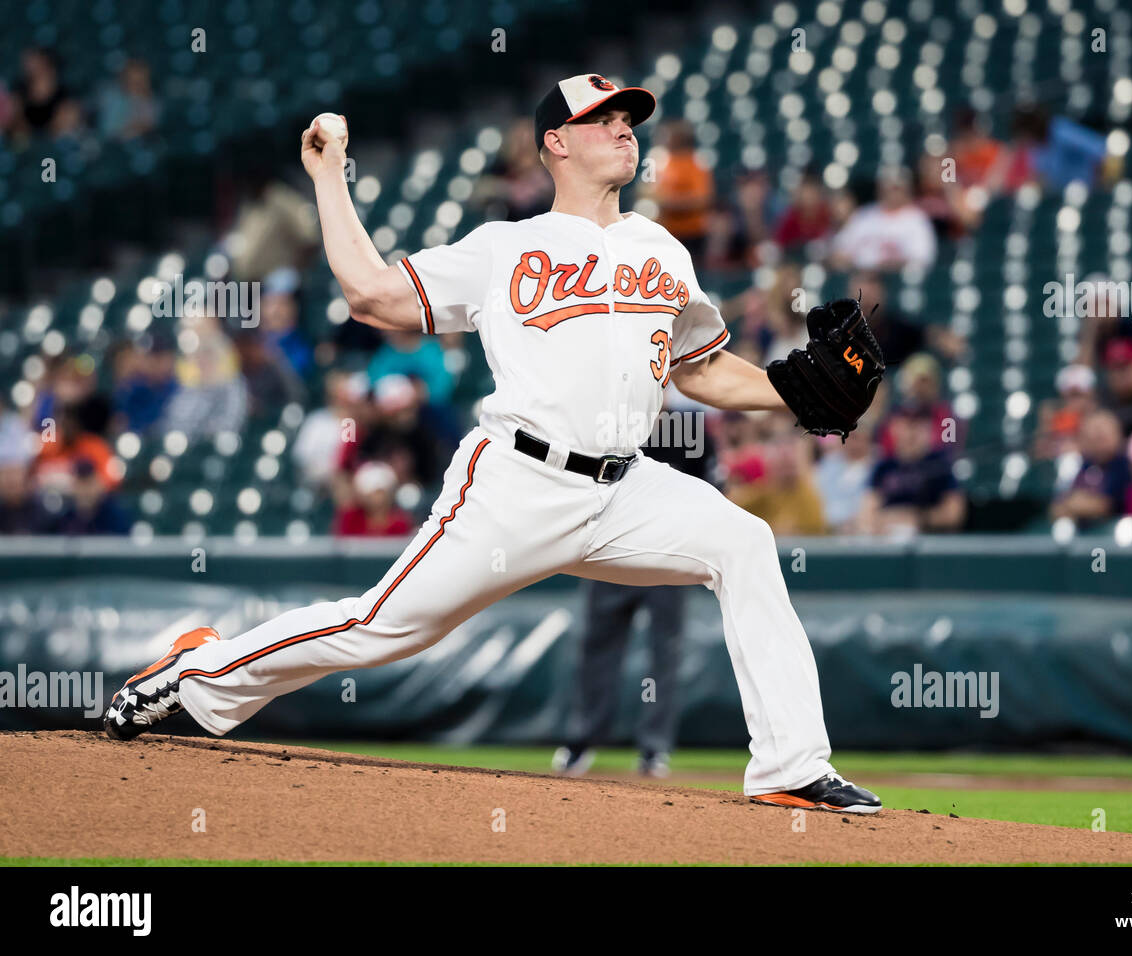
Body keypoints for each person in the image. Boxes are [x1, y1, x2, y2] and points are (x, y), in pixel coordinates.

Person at [103, 73, 883, 814]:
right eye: (603, 121)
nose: (623, 132)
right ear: (556, 144)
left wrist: (793, 391)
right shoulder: (504, 248)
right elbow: (371, 296)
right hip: (517, 483)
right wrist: (330, 175)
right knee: (377, 629)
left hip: (624, 489)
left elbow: (701, 369)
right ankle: (200, 670)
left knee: (743, 541)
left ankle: (792, 768)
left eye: (629, 122)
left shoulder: (661, 250)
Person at [552, 393, 715, 780]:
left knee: (665, 652)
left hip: (668, 556)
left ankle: (653, 748)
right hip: (612, 554)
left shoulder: (689, 429)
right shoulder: (611, 424)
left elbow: (706, 493)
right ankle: (582, 739)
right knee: (597, 645)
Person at [858, 401, 965, 535]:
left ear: (929, 429)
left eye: (919, 424)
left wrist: (917, 517)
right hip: (888, 540)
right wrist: (886, 520)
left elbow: (954, 514)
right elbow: (866, 512)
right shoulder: (884, 467)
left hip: (929, 541)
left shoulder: (940, 464)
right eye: (906, 424)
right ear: (894, 427)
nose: (912, 430)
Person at [830, 168, 937, 273]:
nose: (890, 193)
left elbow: (921, 260)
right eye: (886, 187)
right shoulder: (863, 215)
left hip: (896, 280)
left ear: (907, 189)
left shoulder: (917, 219)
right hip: (862, 278)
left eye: (895, 188)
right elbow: (840, 253)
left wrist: (885, 267)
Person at [642, 119, 714, 260]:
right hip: (665, 231)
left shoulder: (697, 162)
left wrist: (669, 201)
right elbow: (646, 192)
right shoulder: (656, 160)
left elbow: (702, 199)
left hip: (693, 232)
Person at [1050, 409, 1131, 525]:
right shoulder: (1081, 465)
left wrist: (1077, 505)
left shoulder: (1125, 466)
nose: (1097, 440)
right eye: (1092, 435)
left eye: (1102, 436)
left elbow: (1108, 506)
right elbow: (1057, 508)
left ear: (1118, 435)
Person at [333, 461, 414, 537]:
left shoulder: (400, 522)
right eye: (372, 493)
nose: (377, 498)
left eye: (380, 492)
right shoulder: (350, 519)